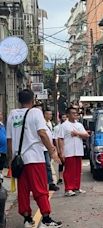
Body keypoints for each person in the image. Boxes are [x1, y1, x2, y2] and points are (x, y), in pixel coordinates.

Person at [6, 89, 62, 227]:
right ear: (32, 100)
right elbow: (42, 133)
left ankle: (27, 218)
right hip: (34, 158)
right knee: (40, 188)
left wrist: (11, 159)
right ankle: (46, 219)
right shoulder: (35, 112)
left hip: (19, 160)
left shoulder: (12, 114)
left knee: (23, 190)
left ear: (19, 100)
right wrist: (52, 150)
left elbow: (9, 140)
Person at [58, 107, 89, 197]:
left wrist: (77, 134)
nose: (75, 115)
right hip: (69, 151)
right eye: (72, 113)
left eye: (76, 113)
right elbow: (60, 138)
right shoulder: (64, 125)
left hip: (78, 150)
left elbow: (86, 135)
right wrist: (61, 151)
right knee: (69, 171)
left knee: (77, 170)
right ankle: (68, 188)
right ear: (68, 115)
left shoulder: (79, 125)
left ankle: (76, 187)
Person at [43, 109, 59, 191]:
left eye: (51, 114)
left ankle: (50, 183)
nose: (50, 116)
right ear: (44, 115)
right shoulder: (41, 123)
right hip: (42, 148)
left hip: (48, 147)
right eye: (48, 114)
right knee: (47, 165)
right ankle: (49, 183)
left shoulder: (50, 123)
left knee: (48, 165)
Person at [54, 113, 67, 185]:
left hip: (67, 147)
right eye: (63, 117)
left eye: (65, 117)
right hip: (61, 147)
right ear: (60, 118)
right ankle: (60, 178)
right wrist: (58, 150)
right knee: (61, 163)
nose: (64, 118)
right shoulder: (57, 128)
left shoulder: (68, 126)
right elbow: (56, 139)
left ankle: (66, 177)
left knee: (68, 163)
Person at [0, 112, 6, 179]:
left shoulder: (2, 125)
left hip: (3, 150)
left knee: (1, 168)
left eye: (1, 114)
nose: (0, 116)